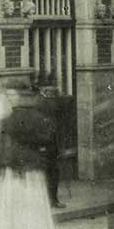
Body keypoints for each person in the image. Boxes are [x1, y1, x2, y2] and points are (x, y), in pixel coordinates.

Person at [0, 77, 58, 229]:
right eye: (9, 95)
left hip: (29, 168)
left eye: (13, 95)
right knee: (13, 203)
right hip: (12, 167)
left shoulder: (34, 116)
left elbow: (48, 139)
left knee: (29, 203)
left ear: (22, 96)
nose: (11, 99)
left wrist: (27, 141)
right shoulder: (8, 119)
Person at [38, 73, 65, 208]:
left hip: (50, 143)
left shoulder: (44, 101)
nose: (53, 91)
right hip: (45, 144)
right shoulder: (43, 102)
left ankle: (51, 199)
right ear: (43, 89)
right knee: (51, 172)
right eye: (50, 88)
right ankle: (51, 200)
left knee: (51, 172)